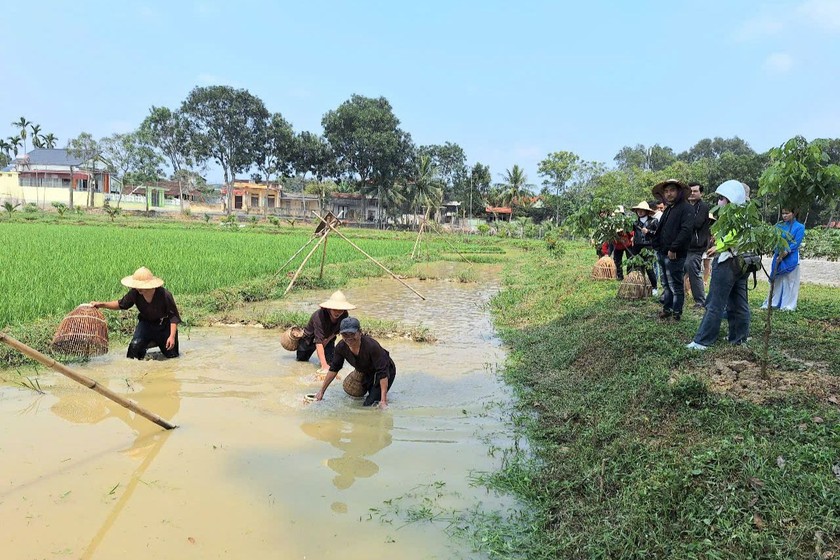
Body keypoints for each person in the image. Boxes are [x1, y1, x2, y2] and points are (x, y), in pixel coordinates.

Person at [687, 180, 751, 350]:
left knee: (715, 302)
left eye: (722, 198)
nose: (719, 202)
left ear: (730, 199)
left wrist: (719, 246)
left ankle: (703, 341)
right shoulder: (748, 213)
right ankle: (739, 337)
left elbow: (733, 236)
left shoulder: (734, 214)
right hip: (742, 263)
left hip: (727, 262)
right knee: (739, 302)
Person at [90, 266, 181, 359]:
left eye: (141, 286)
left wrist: (172, 336)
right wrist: (102, 304)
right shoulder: (135, 293)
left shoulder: (165, 295)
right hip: (146, 324)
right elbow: (121, 304)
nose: (139, 289)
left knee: (172, 356)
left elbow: (173, 317)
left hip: (164, 325)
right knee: (134, 348)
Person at [315, 317, 396, 409]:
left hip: (385, 370)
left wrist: (383, 401)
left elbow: (383, 373)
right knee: (364, 396)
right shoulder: (341, 347)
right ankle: (377, 394)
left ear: (360, 332)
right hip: (367, 370)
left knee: (369, 404)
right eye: (345, 334)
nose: (349, 338)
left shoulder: (372, 346)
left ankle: (382, 396)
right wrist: (321, 391)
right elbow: (334, 369)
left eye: (352, 334)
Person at [651, 179, 694, 321]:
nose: (669, 194)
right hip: (663, 252)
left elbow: (686, 231)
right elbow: (662, 229)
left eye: (672, 190)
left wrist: (674, 248)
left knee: (676, 284)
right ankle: (667, 309)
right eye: (666, 191)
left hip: (675, 253)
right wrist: (657, 245)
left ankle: (677, 313)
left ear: (679, 192)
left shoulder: (686, 208)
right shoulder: (669, 208)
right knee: (666, 284)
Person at [296, 290, 356, 372]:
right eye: (335, 309)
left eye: (340, 310)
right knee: (301, 361)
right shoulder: (319, 316)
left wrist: (327, 340)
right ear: (329, 308)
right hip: (309, 339)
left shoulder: (344, 315)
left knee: (331, 363)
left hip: (329, 337)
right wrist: (324, 365)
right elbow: (318, 342)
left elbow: (337, 330)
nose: (338, 312)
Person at [762, 208, 806, 311]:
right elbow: (774, 240)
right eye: (783, 213)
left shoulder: (800, 227)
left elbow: (796, 242)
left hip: (791, 256)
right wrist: (778, 254)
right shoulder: (779, 226)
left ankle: (788, 305)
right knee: (776, 280)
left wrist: (785, 253)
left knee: (790, 282)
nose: (784, 216)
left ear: (794, 213)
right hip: (778, 256)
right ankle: (772, 302)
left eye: (787, 213)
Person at [685, 182, 712, 308]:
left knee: (693, 270)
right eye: (690, 191)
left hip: (697, 245)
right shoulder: (685, 206)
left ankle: (700, 300)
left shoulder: (703, 207)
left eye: (695, 191)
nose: (692, 193)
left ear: (701, 193)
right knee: (678, 269)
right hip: (684, 245)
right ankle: (677, 295)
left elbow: (696, 223)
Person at [627, 201, 658, 291]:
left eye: (642, 210)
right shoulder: (635, 223)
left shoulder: (653, 221)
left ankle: (654, 287)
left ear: (646, 211)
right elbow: (628, 231)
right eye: (638, 210)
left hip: (648, 246)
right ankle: (640, 286)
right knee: (637, 267)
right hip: (636, 247)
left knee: (649, 267)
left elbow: (658, 234)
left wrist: (648, 231)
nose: (640, 212)